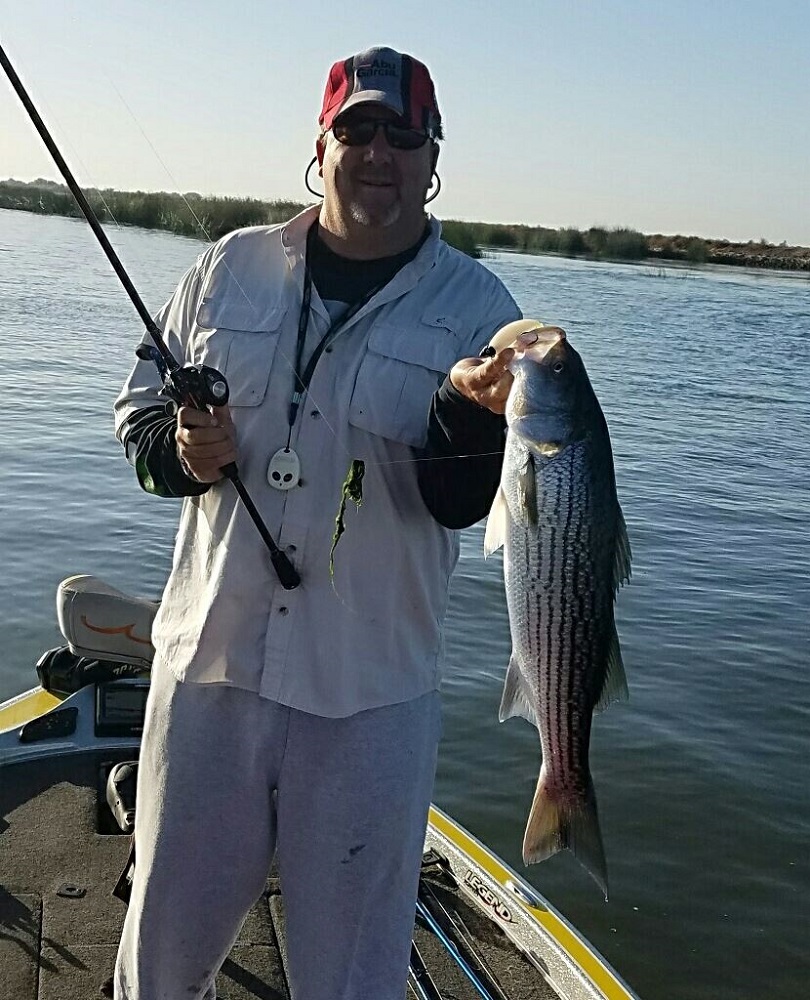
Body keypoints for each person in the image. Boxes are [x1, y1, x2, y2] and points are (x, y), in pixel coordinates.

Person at [113, 45, 535, 1000]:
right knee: (161, 957)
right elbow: (137, 413)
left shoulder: (483, 312)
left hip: (369, 699)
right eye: (357, 128)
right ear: (321, 144)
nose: (377, 151)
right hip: (207, 675)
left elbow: (467, 504)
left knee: (352, 977)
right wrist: (182, 455)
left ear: (433, 157)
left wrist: (465, 414)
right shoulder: (227, 269)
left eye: (401, 133)